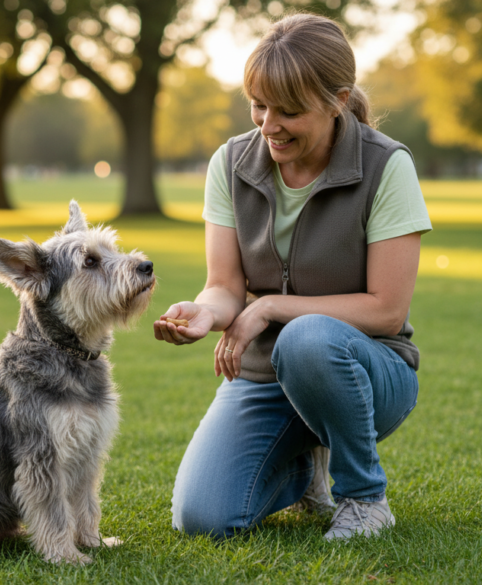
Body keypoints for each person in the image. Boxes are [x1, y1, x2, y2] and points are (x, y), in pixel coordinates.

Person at [152, 12, 432, 541]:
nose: (267, 124)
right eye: (258, 105)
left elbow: (386, 310)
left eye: (289, 110)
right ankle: (305, 470)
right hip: (265, 376)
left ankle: (364, 498)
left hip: (371, 373)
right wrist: (207, 311)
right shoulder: (231, 163)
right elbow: (227, 283)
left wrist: (271, 307)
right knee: (203, 518)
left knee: (307, 337)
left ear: (337, 100)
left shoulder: (386, 166)